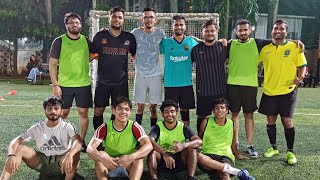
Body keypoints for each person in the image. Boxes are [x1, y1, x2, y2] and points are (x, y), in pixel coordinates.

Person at [259, 19, 307, 165]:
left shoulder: (295, 47)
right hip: (269, 90)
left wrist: (300, 77)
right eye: (275, 28)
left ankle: (290, 151)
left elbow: (302, 65)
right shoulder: (265, 49)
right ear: (272, 31)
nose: (278, 31)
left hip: (288, 90)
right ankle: (274, 148)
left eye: (281, 28)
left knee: (287, 121)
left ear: (286, 31)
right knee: (270, 120)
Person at [0, 96, 82, 180]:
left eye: (56, 108)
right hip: (42, 162)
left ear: (61, 112)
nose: (53, 111)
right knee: (19, 149)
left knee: (75, 152)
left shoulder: (67, 126)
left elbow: (78, 141)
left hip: (62, 162)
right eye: (49, 109)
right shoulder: (38, 127)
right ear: (45, 112)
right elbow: (17, 140)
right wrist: (11, 155)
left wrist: (70, 154)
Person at [226, 19, 273, 158]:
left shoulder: (257, 43)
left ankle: (250, 145)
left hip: (250, 85)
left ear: (250, 30)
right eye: (240, 30)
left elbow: (278, 40)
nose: (243, 32)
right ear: (236, 31)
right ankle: (235, 143)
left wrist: (295, 42)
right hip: (233, 84)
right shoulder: (230, 44)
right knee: (234, 115)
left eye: (245, 30)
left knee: (248, 114)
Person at [49, 12, 92, 151]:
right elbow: (53, 64)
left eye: (77, 22)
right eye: (71, 22)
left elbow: (97, 52)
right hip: (64, 85)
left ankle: (81, 141)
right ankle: (60, 139)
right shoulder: (59, 41)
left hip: (83, 84)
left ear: (81, 25)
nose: (75, 25)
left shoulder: (86, 40)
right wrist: (55, 85)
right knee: (63, 113)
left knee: (83, 113)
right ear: (66, 25)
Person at [90, 6, 137, 130]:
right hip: (103, 81)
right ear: (109, 18)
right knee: (98, 110)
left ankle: (112, 137)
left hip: (121, 83)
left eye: (120, 17)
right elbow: (92, 54)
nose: (117, 19)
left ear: (123, 20)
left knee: (118, 111)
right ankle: (99, 138)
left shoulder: (129, 38)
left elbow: (135, 55)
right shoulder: (100, 36)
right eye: (114, 16)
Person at [86, 96, 152, 179]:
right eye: (120, 108)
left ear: (130, 112)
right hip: (110, 163)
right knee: (101, 155)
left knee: (138, 158)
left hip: (128, 164)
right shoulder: (105, 127)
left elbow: (149, 145)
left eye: (126, 109)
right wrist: (102, 158)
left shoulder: (135, 126)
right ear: (114, 111)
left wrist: (131, 157)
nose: (123, 112)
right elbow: (90, 148)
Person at [197, 98, 255, 180]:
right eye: (216, 108)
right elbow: (199, 139)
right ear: (213, 110)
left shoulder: (232, 124)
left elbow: (233, 143)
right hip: (208, 155)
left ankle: (221, 168)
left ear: (227, 110)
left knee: (225, 175)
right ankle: (237, 172)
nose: (219, 110)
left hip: (225, 156)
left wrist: (237, 154)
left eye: (222, 107)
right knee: (199, 157)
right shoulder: (206, 122)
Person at [191, 20, 229, 135]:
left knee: (221, 117)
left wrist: (224, 41)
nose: (210, 33)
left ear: (217, 31)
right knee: (202, 117)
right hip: (203, 90)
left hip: (220, 90)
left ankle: (222, 140)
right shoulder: (196, 49)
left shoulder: (223, 47)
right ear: (202, 32)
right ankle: (201, 140)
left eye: (212, 30)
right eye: (206, 31)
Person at [147, 99, 202, 180]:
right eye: (166, 112)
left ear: (177, 113)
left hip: (180, 159)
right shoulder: (157, 127)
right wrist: (164, 153)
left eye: (172, 111)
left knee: (192, 149)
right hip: (163, 160)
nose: (169, 114)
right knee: (152, 152)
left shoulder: (183, 127)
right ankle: (154, 178)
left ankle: (191, 177)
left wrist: (184, 145)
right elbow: (149, 140)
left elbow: (199, 141)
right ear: (162, 114)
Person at [160, 15, 198, 126]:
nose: (179, 27)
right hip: (170, 83)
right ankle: (170, 135)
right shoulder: (165, 42)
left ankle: (186, 135)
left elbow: (205, 45)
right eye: (176, 24)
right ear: (172, 27)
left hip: (186, 83)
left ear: (185, 26)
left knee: (185, 112)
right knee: (169, 112)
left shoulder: (191, 42)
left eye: (181, 24)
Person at [131, 7, 165, 128]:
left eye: (151, 17)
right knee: (139, 106)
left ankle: (152, 134)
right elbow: (125, 41)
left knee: (153, 107)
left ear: (155, 19)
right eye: (145, 17)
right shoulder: (135, 33)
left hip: (155, 74)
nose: (148, 19)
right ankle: (137, 134)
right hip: (140, 74)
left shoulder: (160, 33)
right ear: (142, 19)